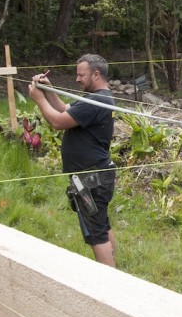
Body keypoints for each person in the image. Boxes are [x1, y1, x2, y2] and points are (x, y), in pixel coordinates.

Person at [29, 54, 118, 268]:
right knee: (101, 223)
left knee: (96, 233)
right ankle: (117, 271)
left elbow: (58, 121)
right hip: (95, 175)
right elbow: (66, 110)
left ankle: (112, 286)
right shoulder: (97, 98)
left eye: (81, 75)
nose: (77, 79)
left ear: (96, 74)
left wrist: (39, 99)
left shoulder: (97, 101)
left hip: (92, 178)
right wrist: (49, 91)